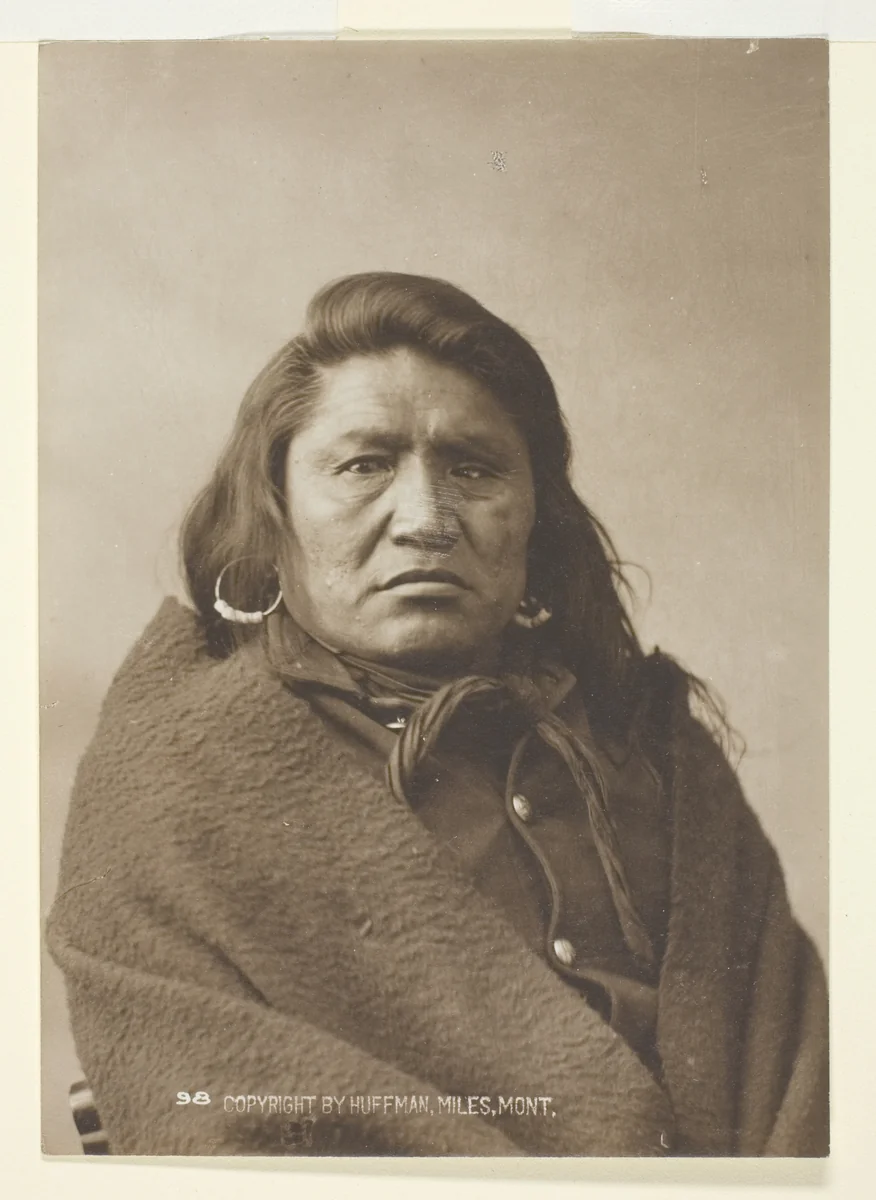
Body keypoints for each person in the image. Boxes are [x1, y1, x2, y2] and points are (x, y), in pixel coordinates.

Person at [46, 272, 828, 1157]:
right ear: (274, 511)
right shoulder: (178, 780)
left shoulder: (650, 749)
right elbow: (217, 1125)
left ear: (537, 515)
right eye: (363, 465)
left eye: (474, 468)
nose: (425, 519)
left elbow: (804, 1089)